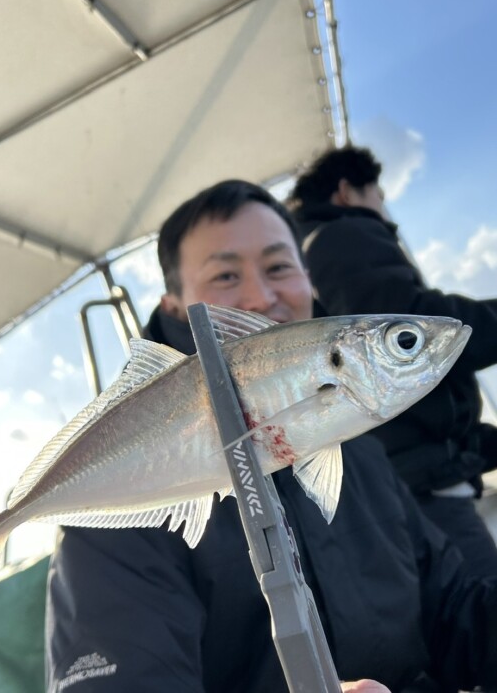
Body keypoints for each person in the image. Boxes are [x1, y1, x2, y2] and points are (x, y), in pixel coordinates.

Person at [45, 180, 497, 693]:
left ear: (308, 279)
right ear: (174, 307)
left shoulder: (363, 453)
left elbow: (459, 614)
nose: (261, 296)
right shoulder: (119, 491)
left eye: (279, 267)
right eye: (225, 274)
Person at [290, 145, 497, 578]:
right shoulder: (344, 236)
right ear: (347, 191)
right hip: (427, 489)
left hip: (409, 480)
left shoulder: (315, 248)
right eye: (378, 195)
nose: (384, 207)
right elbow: (411, 331)